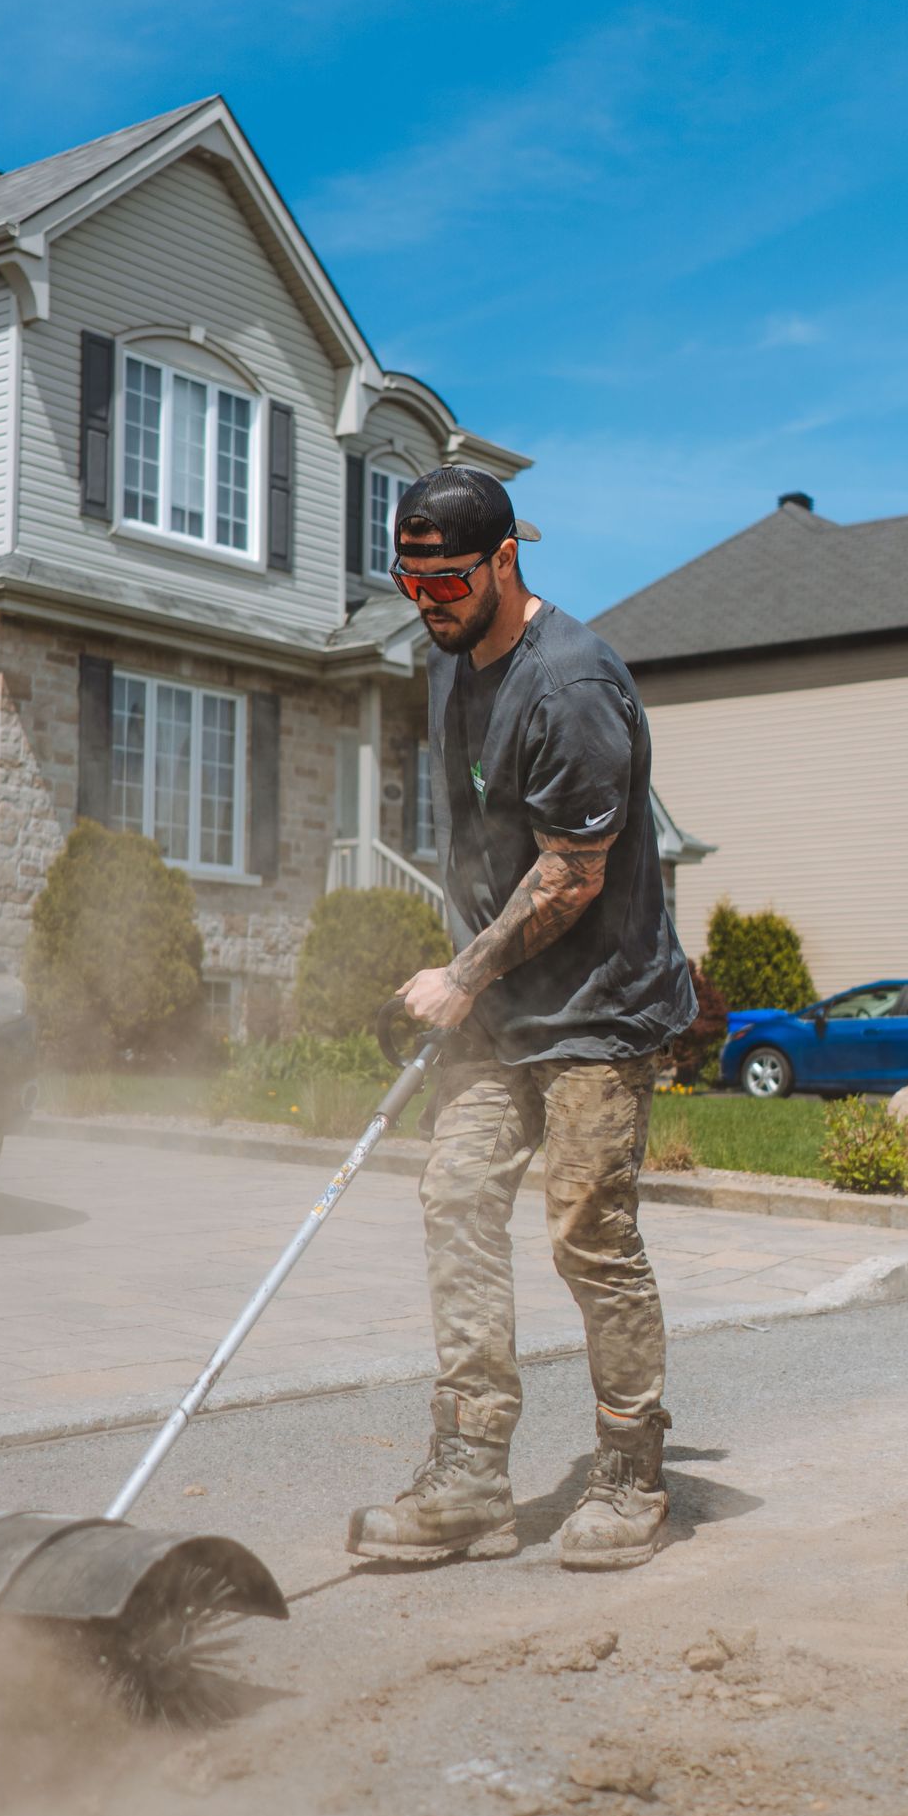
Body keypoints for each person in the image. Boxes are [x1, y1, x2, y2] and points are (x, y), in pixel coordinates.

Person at [346, 465, 696, 1572]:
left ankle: (634, 1473)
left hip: (599, 1005)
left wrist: (463, 973)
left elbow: (571, 876)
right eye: (410, 580)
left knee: (588, 1234)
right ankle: (471, 1476)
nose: (428, 601)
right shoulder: (449, 660)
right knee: (454, 1194)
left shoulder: (575, 685)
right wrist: (471, 977)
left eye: (447, 579)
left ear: (505, 559)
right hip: (502, 1006)